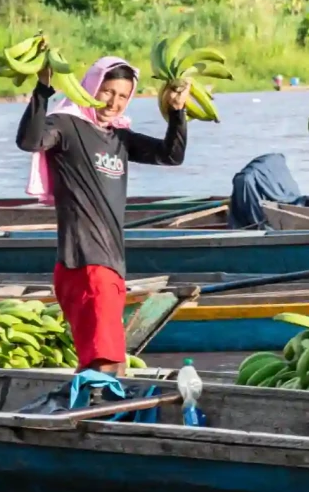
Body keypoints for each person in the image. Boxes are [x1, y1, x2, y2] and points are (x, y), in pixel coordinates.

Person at [17, 56, 188, 376]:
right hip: (85, 264)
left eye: (123, 96)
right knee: (104, 364)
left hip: (110, 266)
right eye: (108, 92)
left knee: (113, 363)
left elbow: (171, 155)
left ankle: (103, 417)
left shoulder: (118, 137)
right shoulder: (66, 126)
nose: (114, 103)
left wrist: (177, 111)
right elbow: (30, 140)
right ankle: (98, 417)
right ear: (92, 87)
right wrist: (42, 89)